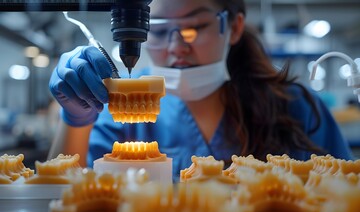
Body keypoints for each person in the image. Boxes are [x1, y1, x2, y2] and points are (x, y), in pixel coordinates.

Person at [48, 0, 353, 181]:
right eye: (158, 29)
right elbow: (64, 201)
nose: (177, 47)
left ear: (233, 27)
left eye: (194, 28)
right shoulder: (120, 107)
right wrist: (76, 119)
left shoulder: (296, 107)